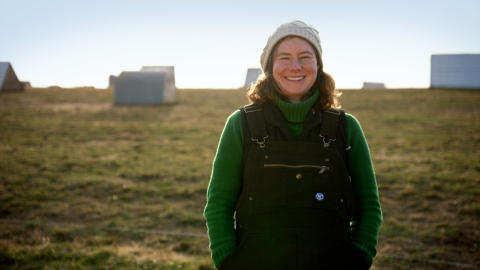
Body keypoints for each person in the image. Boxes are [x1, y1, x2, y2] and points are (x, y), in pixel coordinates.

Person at [204, 20, 382, 269]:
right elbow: (219, 205)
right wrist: (228, 261)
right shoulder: (241, 124)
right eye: (284, 58)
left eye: (305, 57)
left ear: (318, 65)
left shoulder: (346, 127)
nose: (295, 67)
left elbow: (369, 206)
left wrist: (359, 257)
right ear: (270, 67)